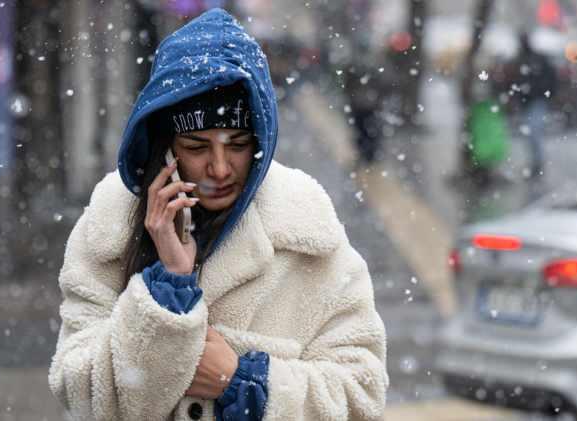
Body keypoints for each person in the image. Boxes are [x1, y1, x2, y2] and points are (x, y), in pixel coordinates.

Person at [49, 9, 388, 421]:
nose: (221, 168)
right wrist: (167, 288)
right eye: (196, 147)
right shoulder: (108, 231)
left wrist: (243, 382)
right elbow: (83, 395)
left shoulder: (308, 234)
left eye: (238, 144)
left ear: (260, 140)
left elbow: (363, 396)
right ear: (166, 146)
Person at [511, 31, 558, 178]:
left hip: (535, 101)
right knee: (532, 134)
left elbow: (548, 78)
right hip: (531, 101)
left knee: (533, 134)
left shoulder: (532, 59)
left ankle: (537, 163)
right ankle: (536, 163)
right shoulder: (526, 59)